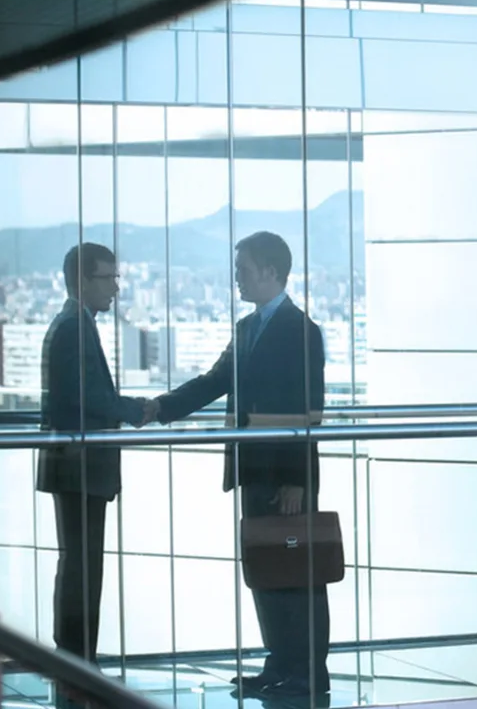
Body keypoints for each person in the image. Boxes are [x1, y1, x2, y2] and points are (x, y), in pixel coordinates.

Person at [150, 231, 328, 704]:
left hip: (285, 475)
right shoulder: (249, 328)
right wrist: (159, 408)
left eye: (243, 270)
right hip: (252, 468)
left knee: (296, 574)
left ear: (271, 272)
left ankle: (307, 672)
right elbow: (214, 382)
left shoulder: (301, 329)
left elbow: (309, 408)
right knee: (266, 570)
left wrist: (296, 479)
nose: (236, 280)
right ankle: (280, 664)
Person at [37, 243, 150, 664]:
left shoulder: (75, 323)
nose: (116, 288)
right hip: (78, 465)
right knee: (83, 567)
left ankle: (76, 656)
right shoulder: (74, 327)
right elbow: (93, 398)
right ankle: (77, 658)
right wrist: (140, 410)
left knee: (80, 563)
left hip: (76, 464)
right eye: (109, 278)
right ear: (83, 280)